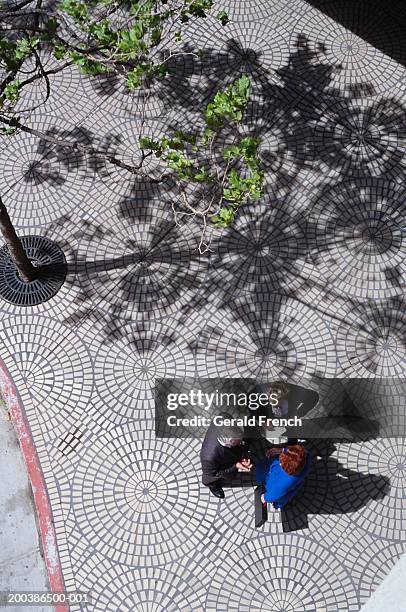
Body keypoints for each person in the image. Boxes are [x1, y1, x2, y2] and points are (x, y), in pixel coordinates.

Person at [200, 420, 252, 498]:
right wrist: (235, 466)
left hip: (227, 452)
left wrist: (243, 454)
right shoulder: (208, 458)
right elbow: (214, 473)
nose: (241, 442)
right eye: (237, 442)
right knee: (209, 479)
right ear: (227, 442)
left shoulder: (223, 418)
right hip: (216, 466)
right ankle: (213, 486)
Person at [256, 444, 311, 510]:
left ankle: (279, 505)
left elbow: (274, 494)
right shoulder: (305, 457)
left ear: (287, 469)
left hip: (277, 487)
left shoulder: (284, 483)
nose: (280, 462)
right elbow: (295, 454)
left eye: (281, 462)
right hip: (293, 479)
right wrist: (282, 450)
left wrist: (265, 497)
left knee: (280, 497)